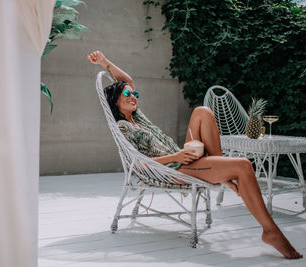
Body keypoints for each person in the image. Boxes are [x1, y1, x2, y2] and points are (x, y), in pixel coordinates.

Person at [87, 50, 303, 259]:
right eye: (126, 94)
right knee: (244, 165)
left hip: (181, 157)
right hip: (171, 168)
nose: (133, 95)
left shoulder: (138, 117)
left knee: (203, 111)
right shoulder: (124, 127)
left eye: (135, 94)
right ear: (115, 100)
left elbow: (127, 80)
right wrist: (175, 158)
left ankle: (223, 174)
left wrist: (105, 62)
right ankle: (269, 230)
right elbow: (140, 165)